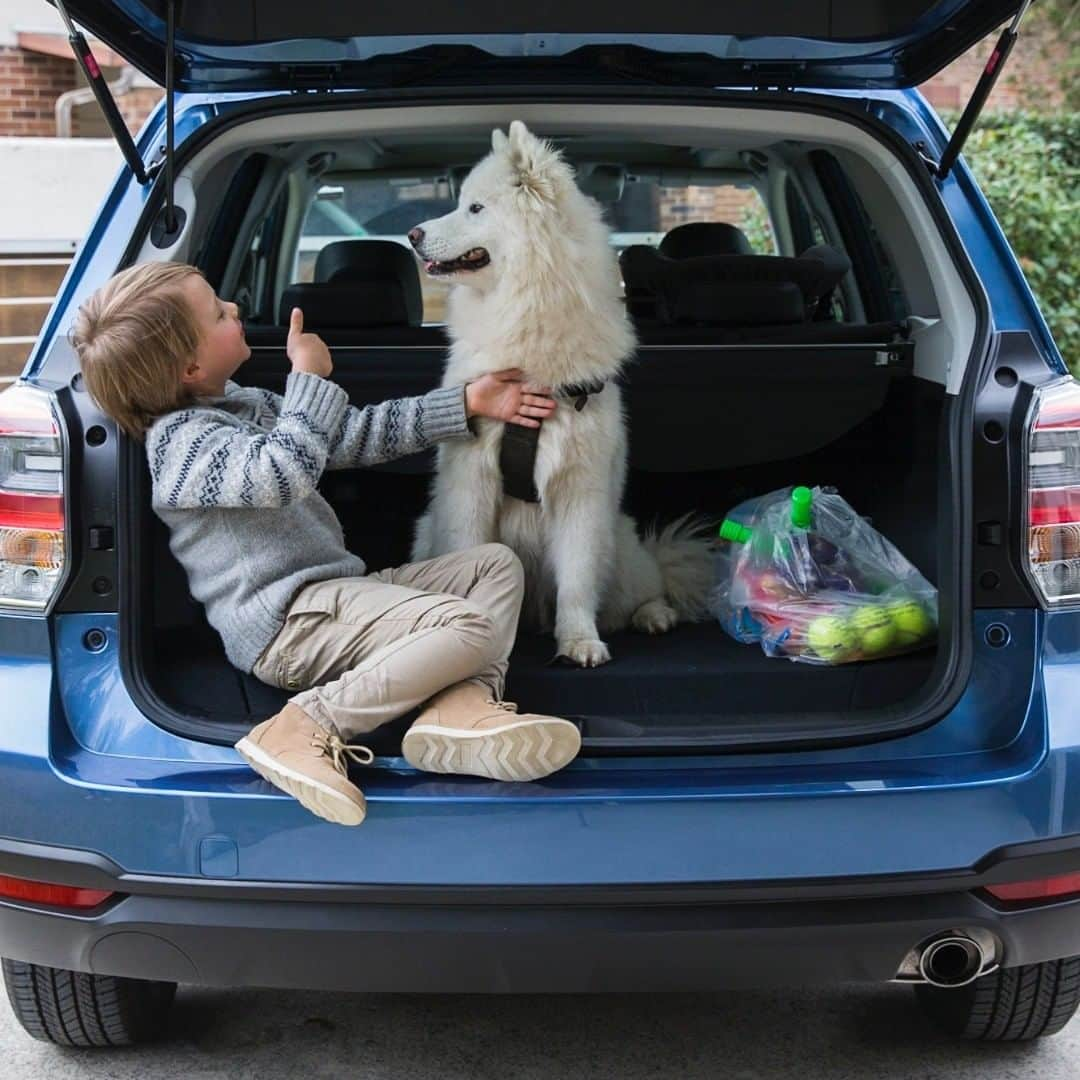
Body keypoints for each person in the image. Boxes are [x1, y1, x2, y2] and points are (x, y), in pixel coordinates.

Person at [71, 261, 581, 826]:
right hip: (288, 626)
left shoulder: (244, 405)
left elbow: (354, 436)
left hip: (334, 596)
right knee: (466, 624)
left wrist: (465, 403)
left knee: (496, 566)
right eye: (218, 313)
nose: (235, 309)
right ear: (190, 366)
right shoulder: (182, 444)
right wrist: (309, 382)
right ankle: (304, 727)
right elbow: (280, 473)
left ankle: (457, 709)